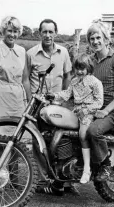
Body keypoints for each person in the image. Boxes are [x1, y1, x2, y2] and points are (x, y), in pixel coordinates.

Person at [23, 19, 79, 195]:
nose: (48, 35)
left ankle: (64, 181)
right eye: (44, 32)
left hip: (57, 105)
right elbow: (25, 78)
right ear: (40, 33)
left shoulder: (63, 53)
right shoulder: (31, 53)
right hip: (37, 105)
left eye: (51, 32)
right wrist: (30, 97)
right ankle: (42, 180)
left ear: (56, 33)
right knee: (37, 140)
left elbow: (68, 75)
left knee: (62, 140)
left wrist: (63, 98)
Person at [0, 16, 27, 186]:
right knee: (0, 140)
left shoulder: (22, 52)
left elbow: (25, 80)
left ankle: (14, 178)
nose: (12, 34)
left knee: (17, 139)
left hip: (17, 98)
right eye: (9, 30)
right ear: (3, 31)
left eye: (16, 31)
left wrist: (29, 102)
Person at [50, 53, 103, 183]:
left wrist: (86, 109)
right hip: (76, 112)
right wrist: (53, 96)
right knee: (61, 128)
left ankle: (86, 169)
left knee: (82, 134)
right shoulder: (74, 81)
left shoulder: (95, 82)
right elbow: (66, 94)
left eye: (82, 68)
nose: (79, 71)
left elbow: (99, 102)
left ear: (89, 68)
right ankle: (64, 161)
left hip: (88, 113)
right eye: (77, 68)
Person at [86, 21, 114, 181]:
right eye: (92, 39)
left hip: (112, 111)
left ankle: (106, 164)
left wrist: (106, 110)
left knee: (93, 131)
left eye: (98, 37)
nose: (95, 41)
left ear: (106, 39)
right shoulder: (89, 61)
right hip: (91, 108)